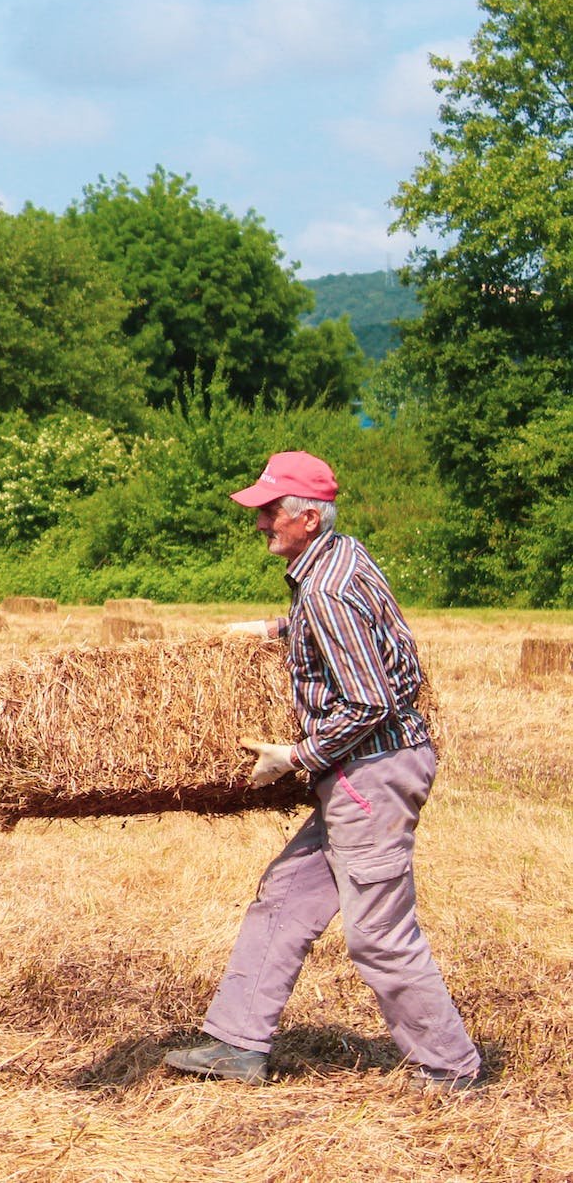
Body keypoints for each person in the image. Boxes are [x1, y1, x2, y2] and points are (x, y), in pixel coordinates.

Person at [163, 450, 481, 1091]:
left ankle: (450, 1067)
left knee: (378, 935)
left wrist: (294, 757)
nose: (260, 523)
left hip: (372, 776)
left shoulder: (327, 588)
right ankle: (235, 1044)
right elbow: (365, 633)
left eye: (270, 511)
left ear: (307, 516)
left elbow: (370, 699)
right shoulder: (339, 558)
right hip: (364, 773)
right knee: (284, 895)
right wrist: (276, 627)